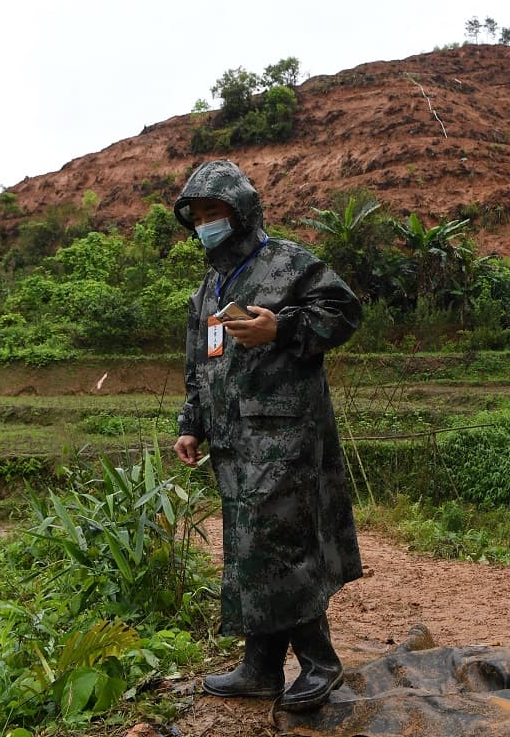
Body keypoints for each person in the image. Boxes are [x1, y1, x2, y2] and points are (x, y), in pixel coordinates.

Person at [171, 159, 363, 712]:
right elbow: (200, 365)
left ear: (243, 213)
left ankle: (320, 662)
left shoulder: (287, 262)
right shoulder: (208, 291)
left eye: (217, 212)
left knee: (277, 544)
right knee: (249, 549)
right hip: (233, 443)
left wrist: (282, 327)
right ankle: (260, 668)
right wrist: (191, 425)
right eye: (199, 215)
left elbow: (345, 312)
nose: (207, 223)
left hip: (286, 434)